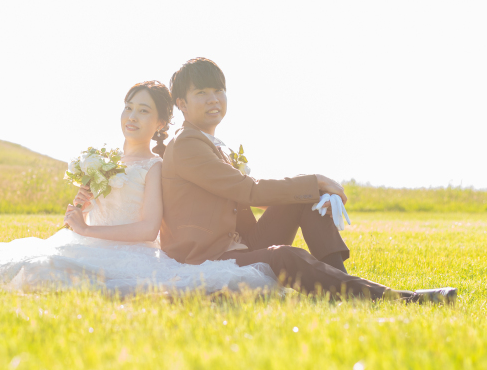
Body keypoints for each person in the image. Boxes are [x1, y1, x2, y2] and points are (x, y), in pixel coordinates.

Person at [0, 81, 277, 294]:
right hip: (82, 241)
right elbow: (89, 216)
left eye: (143, 111)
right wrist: (80, 210)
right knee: (29, 266)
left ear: (159, 123)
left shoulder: (156, 167)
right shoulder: (106, 161)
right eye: (128, 107)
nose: (132, 116)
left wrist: (86, 230)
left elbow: (147, 229)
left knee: (46, 275)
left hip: (129, 253)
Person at [160, 57, 457, 304]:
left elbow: (251, 194)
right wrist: (314, 180)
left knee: (306, 200)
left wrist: (310, 189)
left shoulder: (210, 143)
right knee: (285, 256)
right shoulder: (186, 144)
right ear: (182, 104)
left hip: (237, 244)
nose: (213, 99)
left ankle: (341, 286)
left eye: (219, 90)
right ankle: (399, 299)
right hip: (207, 258)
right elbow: (248, 191)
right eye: (202, 93)